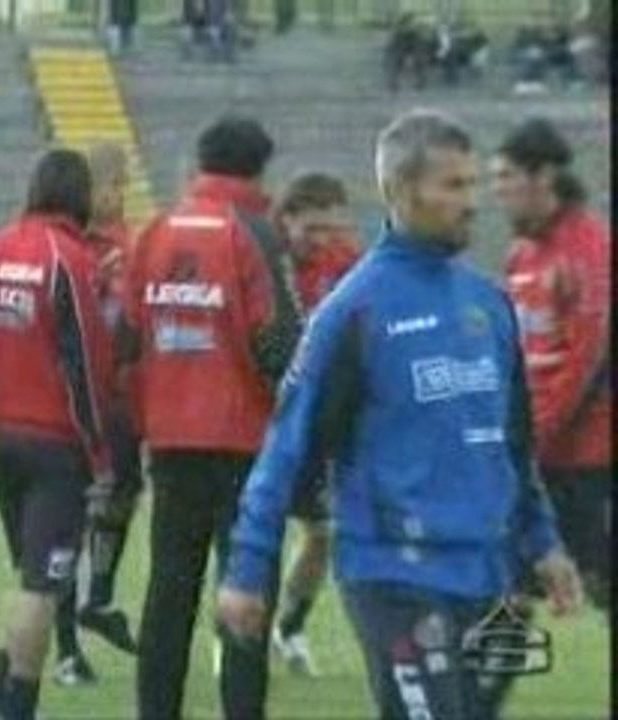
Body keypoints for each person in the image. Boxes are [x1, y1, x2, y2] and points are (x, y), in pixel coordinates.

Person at [218, 109, 583, 720]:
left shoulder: (489, 306)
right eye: (453, 186)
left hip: (489, 575)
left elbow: (513, 447)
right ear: (400, 191)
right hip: (395, 575)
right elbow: (286, 448)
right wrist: (248, 569)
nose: (473, 202)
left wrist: (543, 542)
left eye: (473, 184)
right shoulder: (353, 313)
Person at [124, 115, 301, 720]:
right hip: (243, 442)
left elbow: (126, 336)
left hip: (170, 439)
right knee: (247, 588)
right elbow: (278, 340)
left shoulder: (155, 231)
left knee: (169, 590)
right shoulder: (253, 232)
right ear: (258, 169)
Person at [0, 149, 116, 720]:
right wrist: (101, 456)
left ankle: (2, 698)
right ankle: (15, 709)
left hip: (4, 434)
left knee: (28, 575)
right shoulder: (69, 258)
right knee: (42, 583)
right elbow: (85, 365)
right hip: (57, 444)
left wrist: (6, 395)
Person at [491, 118, 611, 617]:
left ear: (543, 178)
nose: (498, 192)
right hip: (539, 449)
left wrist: (530, 437)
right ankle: (474, 696)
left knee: (596, 582)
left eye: (506, 178)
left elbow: (586, 363)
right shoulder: (521, 255)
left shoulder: (588, 252)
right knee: (509, 585)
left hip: (587, 460)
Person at [50, 142, 141, 687]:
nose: (118, 196)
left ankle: (99, 597)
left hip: (123, 402)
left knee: (122, 496)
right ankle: (65, 647)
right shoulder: (71, 247)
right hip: (77, 405)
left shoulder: (131, 242)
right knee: (70, 522)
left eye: (122, 187)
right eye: (111, 186)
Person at [267, 171, 361, 676]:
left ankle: (290, 626)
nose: (321, 239)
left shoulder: (346, 262)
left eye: (331, 228)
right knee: (251, 532)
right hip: (263, 421)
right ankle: (242, 633)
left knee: (322, 531)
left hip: (318, 422)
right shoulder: (265, 261)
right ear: (287, 219)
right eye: (312, 228)